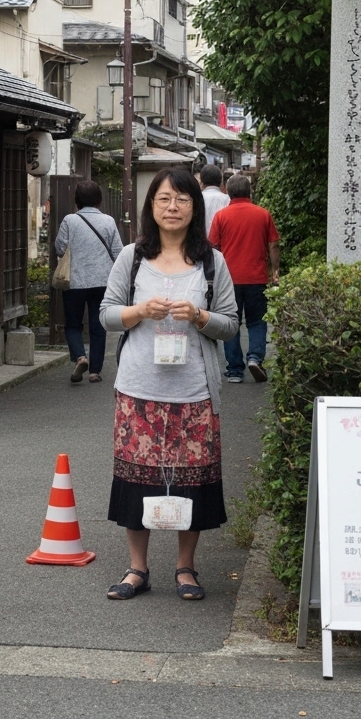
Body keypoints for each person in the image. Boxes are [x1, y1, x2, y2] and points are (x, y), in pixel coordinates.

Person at [99, 168, 238, 602]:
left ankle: (186, 568)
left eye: (181, 199)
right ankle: (136, 570)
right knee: (135, 478)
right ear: (151, 207)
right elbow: (106, 314)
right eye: (163, 199)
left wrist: (198, 317)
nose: (172, 207)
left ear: (194, 207)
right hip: (138, 389)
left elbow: (231, 325)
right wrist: (140, 310)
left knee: (191, 480)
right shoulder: (132, 256)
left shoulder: (213, 261)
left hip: (194, 391)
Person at [208, 173, 281, 384]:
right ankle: (255, 358)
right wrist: (275, 270)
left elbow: (214, 247)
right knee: (257, 321)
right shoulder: (263, 214)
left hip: (229, 279)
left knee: (231, 322)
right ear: (249, 192)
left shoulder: (221, 216)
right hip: (257, 277)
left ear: (227, 192)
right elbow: (273, 244)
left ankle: (234, 370)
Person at [53, 180, 123, 384]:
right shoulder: (108, 221)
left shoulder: (69, 220)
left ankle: (80, 357)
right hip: (102, 281)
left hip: (74, 281)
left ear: (77, 201)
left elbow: (59, 248)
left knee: (73, 324)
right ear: (99, 201)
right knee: (98, 325)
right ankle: (94, 371)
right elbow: (118, 252)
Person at [198, 164, 230, 235]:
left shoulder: (196, 199)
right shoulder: (228, 199)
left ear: (201, 181)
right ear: (221, 182)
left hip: (200, 243)